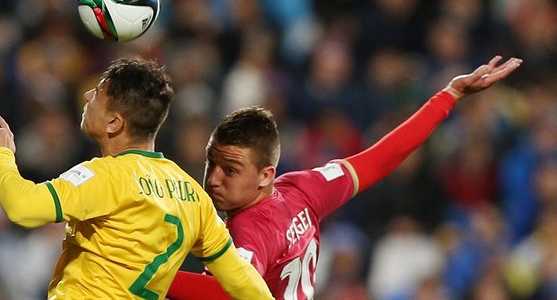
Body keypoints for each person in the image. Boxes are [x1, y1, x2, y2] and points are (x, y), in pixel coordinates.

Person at [167, 55, 522, 300]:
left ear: (265, 175)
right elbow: (380, 159)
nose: (213, 179)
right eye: (210, 164)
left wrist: (146, 275)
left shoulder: (250, 230)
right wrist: (449, 96)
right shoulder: (302, 189)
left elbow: (230, 291)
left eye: (230, 169)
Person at [0, 57, 274, 300]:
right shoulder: (193, 195)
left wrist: (1, 154)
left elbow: (22, 208)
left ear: (114, 122)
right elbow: (241, 280)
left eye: (98, 93)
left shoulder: (105, 176)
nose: (87, 96)